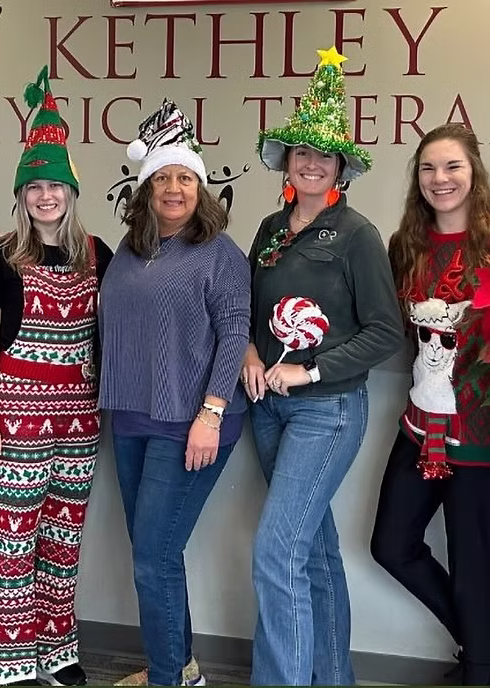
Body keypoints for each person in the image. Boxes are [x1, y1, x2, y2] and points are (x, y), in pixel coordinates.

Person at [243, 47, 403, 686]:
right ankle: (334, 678)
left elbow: (385, 332)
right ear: (286, 160)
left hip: (326, 411)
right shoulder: (268, 229)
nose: (311, 163)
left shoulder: (358, 235)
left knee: (275, 551)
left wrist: (308, 370)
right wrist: (251, 352)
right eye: (302, 152)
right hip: (267, 410)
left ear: (340, 168)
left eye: (325, 156)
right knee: (310, 551)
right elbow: (247, 311)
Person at [99, 98, 251, 687]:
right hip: (133, 418)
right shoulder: (131, 249)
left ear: (200, 187)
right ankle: (181, 670)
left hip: (192, 420)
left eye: (185, 178)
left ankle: (166, 679)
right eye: (162, 178)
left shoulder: (220, 254)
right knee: (155, 554)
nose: (173, 188)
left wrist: (210, 415)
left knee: (153, 557)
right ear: (144, 189)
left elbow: (235, 333)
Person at [0, 66, 113, 688]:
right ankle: (7, 658)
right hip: (17, 418)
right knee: (13, 538)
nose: (46, 197)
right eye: (35, 187)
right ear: (21, 195)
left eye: (56, 186)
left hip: (80, 418)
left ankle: (57, 649)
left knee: (63, 536)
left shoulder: (98, 254)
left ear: (71, 192)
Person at [370, 123, 490, 685]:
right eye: (428, 168)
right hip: (420, 427)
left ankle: (480, 668)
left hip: (480, 434)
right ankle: (481, 644)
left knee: (473, 567)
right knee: (392, 545)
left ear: (474, 173)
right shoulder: (405, 247)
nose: (440, 179)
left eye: (452, 166)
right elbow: (385, 325)